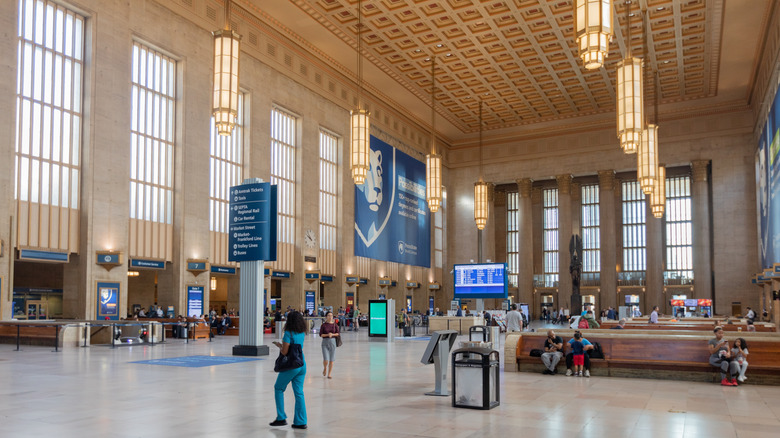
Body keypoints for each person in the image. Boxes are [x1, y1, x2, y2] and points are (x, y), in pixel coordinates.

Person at [270, 311, 307, 429]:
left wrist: (280, 346)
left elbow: (285, 352)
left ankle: (281, 417)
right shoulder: (302, 332)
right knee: (299, 393)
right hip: (302, 364)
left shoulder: (288, 333)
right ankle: (301, 422)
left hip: (292, 366)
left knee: (278, 388)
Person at [319, 311, 339, 379]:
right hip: (325, 342)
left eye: (331, 315)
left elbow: (338, 333)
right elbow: (321, 334)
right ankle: (325, 368)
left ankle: (329, 374)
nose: (330, 317)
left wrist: (332, 334)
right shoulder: (323, 325)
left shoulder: (335, 325)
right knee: (326, 359)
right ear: (326, 317)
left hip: (333, 342)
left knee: (331, 359)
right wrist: (328, 334)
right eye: (328, 315)